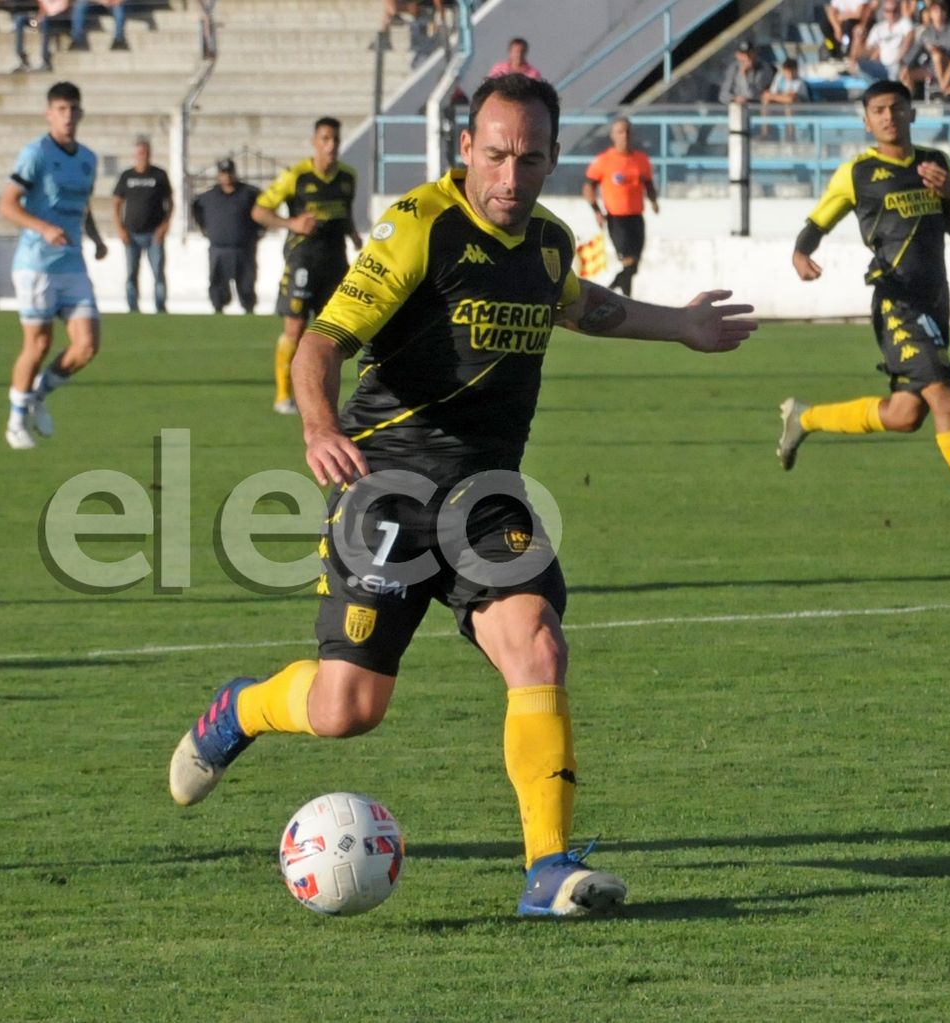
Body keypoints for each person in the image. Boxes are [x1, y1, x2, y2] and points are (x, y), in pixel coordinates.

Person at [167, 73, 758, 918]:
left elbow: (584, 305)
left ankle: (547, 868)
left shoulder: (549, 242)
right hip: (387, 490)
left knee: (538, 647)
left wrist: (682, 325)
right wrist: (318, 427)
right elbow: (322, 342)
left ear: (553, 158)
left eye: (529, 158)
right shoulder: (420, 228)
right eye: (495, 155)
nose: (510, 176)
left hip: (487, 495)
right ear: (466, 150)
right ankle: (242, 707)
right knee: (348, 708)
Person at [780, 80, 950, 529]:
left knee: (905, 414)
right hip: (896, 302)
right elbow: (816, 223)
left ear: (911, 113)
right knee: (946, 396)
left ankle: (806, 416)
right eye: (877, 110)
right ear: (866, 120)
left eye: (896, 108)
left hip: (935, 303)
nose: (887, 117)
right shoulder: (857, 173)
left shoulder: (935, 163)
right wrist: (802, 252)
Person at [0, 80, 108, 450]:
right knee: (39, 344)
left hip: (72, 264)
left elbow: (83, 205)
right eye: (61, 110)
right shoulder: (36, 154)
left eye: (73, 109)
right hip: (36, 265)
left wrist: (96, 238)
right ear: (49, 114)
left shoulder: (88, 159)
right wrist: (43, 227)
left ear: (81, 113)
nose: (68, 116)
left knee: (87, 345)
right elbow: (8, 205)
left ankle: (38, 395)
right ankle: (15, 422)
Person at [253, 117, 362, 415]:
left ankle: (325, 400)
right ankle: (283, 396)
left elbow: (345, 213)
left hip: (336, 262)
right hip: (303, 261)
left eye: (335, 140)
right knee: (295, 327)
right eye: (325, 139)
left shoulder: (348, 177)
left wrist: (354, 235)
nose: (331, 146)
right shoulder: (296, 176)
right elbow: (259, 211)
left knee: (335, 333)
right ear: (314, 142)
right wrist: (291, 223)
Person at [582, 116, 658, 296]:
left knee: (634, 266)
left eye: (628, 131)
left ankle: (613, 290)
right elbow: (588, 187)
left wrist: (654, 201)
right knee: (628, 262)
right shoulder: (604, 160)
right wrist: (597, 211)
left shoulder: (641, 159)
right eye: (620, 132)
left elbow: (649, 184)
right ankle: (625, 300)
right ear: (613, 135)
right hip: (617, 218)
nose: (625, 136)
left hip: (636, 217)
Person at [192, 157, 261, 314]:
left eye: (229, 173)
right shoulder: (209, 196)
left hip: (243, 248)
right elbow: (195, 208)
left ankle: (249, 310)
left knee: (246, 284)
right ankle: (218, 309)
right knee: (218, 284)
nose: (227, 177)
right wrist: (204, 228)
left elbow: (264, 207)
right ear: (218, 175)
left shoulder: (249, 194)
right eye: (223, 173)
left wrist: (259, 231)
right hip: (219, 248)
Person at [111, 136, 172, 314]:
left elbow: (170, 203)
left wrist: (164, 225)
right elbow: (116, 203)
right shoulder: (127, 176)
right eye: (139, 153)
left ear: (150, 154)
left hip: (154, 234)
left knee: (158, 273)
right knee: (131, 274)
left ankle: (160, 307)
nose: (142, 156)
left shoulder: (159, 175)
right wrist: (120, 228)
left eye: (145, 152)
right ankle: (133, 308)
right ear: (135, 155)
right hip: (131, 234)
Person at [853, 0, 915, 80]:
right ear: (884, 12)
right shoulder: (878, 28)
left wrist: (898, 59)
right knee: (858, 66)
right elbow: (868, 50)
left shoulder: (905, 23)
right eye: (888, 11)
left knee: (897, 70)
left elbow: (909, 39)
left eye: (894, 10)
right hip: (882, 66)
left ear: (899, 10)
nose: (891, 14)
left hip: (899, 64)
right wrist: (857, 40)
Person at [760, 58, 812, 138]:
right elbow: (767, 95)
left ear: (796, 70)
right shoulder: (779, 78)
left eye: (792, 72)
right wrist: (783, 96)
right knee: (766, 101)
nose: (790, 75)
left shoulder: (799, 82)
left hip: (800, 110)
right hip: (781, 107)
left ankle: (790, 136)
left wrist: (776, 96)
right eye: (787, 72)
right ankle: (765, 133)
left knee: (789, 106)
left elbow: (790, 99)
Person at [12, 0, 69, 73]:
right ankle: (22, 57)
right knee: (20, 19)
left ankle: (46, 61)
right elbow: (42, 8)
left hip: (59, 19)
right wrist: (38, 18)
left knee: (46, 21)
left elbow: (62, 7)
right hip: (43, 17)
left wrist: (43, 16)